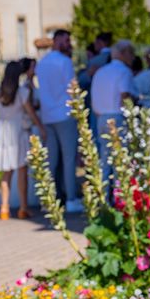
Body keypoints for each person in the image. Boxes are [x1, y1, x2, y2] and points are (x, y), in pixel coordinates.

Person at [36, 29, 83, 213]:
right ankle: (70, 199)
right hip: (64, 114)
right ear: (56, 41)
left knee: (52, 160)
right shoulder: (64, 62)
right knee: (69, 158)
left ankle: (51, 199)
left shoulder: (43, 63)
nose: (68, 44)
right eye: (65, 40)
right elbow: (73, 88)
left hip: (48, 115)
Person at [0, 61, 45, 220]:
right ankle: (23, 208)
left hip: (4, 135)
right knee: (22, 172)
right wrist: (41, 128)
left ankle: (4, 208)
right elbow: (31, 113)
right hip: (19, 134)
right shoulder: (22, 92)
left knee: (6, 174)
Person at [91, 39, 137, 188]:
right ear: (124, 53)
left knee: (105, 160)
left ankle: (104, 198)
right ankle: (120, 197)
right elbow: (125, 96)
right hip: (117, 117)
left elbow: (94, 100)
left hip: (101, 118)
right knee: (120, 162)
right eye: (132, 54)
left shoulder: (101, 71)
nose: (133, 58)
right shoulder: (124, 71)